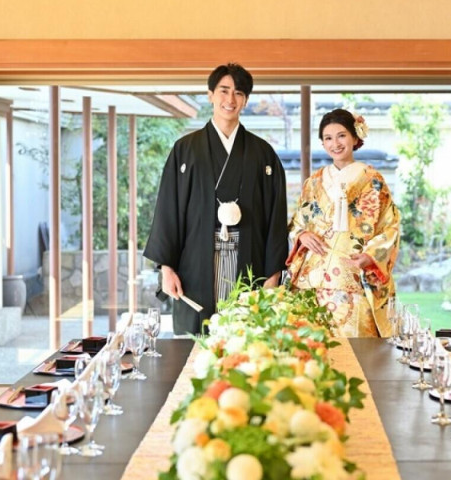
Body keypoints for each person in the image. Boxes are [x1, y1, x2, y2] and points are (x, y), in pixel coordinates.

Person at [144, 63, 288, 335]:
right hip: (196, 263)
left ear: (245, 100)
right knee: (197, 345)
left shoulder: (263, 154)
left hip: (249, 259)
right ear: (210, 95)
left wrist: (273, 275)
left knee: (246, 342)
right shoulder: (185, 150)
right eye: (224, 90)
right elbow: (167, 210)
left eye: (238, 93)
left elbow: (275, 218)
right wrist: (167, 268)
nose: (230, 99)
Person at [286, 108, 400, 337]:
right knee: (313, 344)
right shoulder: (314, 182)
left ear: (355, 138)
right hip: (313, 279)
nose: (335, 144)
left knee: (356, 346)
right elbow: (299, 221)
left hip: (354, 274)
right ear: (322, 143)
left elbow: (390, 225)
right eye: (328, 138)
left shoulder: (373, 180)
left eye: (341, 136)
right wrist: (301, 235)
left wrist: (371, 256)